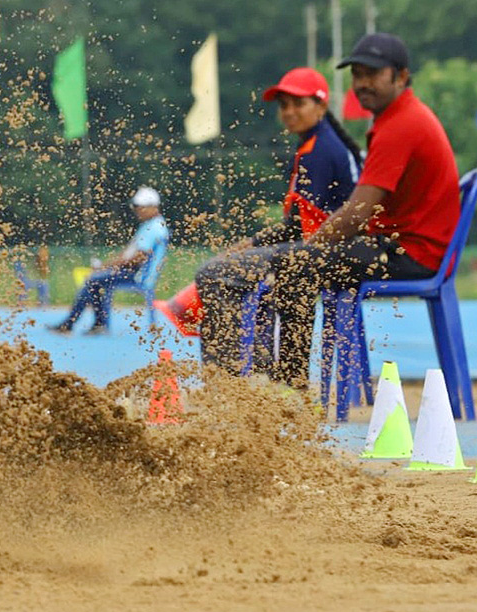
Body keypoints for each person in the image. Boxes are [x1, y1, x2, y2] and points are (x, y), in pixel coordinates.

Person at [196, 34, 459, 387]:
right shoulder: (394, 120)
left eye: (372, 74)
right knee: (289, 263)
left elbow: (356, 214)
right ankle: (264, 385)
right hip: (400, 246)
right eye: (357, 75)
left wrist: (305, 249)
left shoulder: (398, 125)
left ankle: (269, 389)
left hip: (409, 253)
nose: (362, 83)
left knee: (290, 264)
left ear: (401, 76)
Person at [156, 67, 362, 351]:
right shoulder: (316, 143)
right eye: (284, 105)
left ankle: (229, 373)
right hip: (323, 249)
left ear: (321, 106)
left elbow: (298, 228)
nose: (289, 112)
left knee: (217, 272)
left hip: (330, 253)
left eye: (298, 103)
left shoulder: (320, 151)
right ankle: (261, 369)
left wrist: (250, 244)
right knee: (245, 269)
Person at [50, 186, 168, 335]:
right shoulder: (149, 225)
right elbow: (128, 254)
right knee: (96, 280)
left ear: (152, 207)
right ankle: (94, 323)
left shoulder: (155, 227)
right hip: (135, 272)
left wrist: (105, 267)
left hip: (140, 276)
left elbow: (137, 259)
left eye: (140, 207)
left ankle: (75, 324)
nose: (137, 210)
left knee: (93, 280)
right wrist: (106, 266)